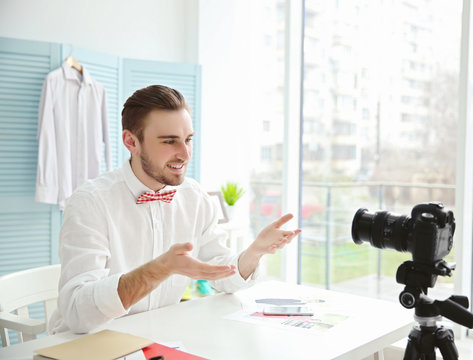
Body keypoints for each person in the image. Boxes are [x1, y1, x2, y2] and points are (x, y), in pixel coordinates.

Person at [49, 85, 301, 333]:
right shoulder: (90, 202)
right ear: (131, 142)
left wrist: (254, 252)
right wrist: (159, 269)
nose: (184, 153)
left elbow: (220, 273)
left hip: (153, 337)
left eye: (188, 140)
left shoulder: (195, 198)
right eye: (169, 141)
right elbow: (77, 313)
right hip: (83, 344)